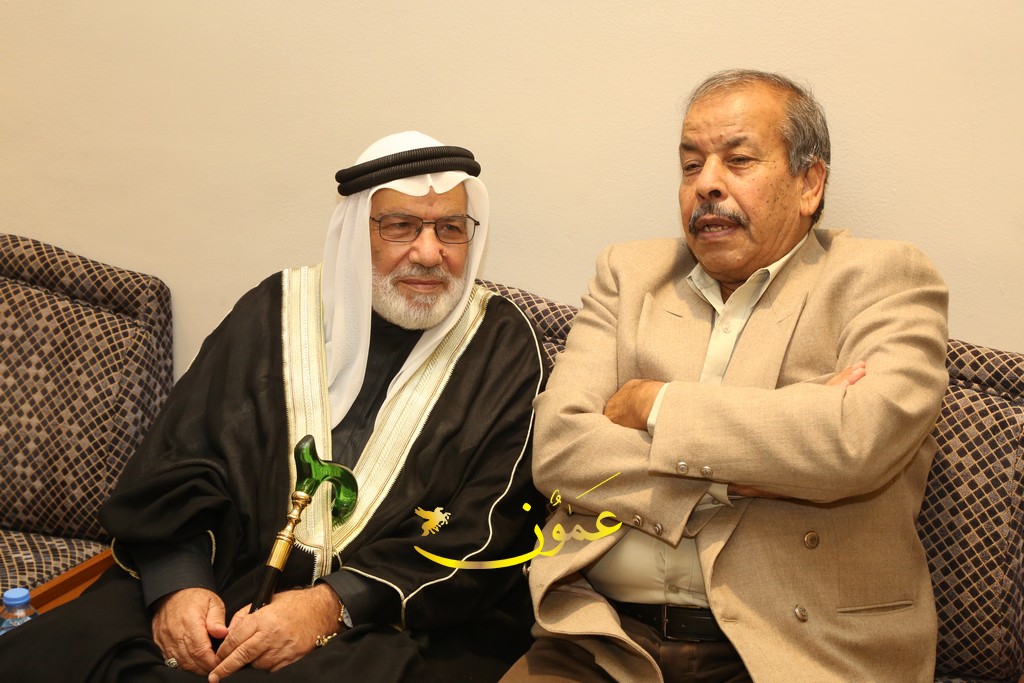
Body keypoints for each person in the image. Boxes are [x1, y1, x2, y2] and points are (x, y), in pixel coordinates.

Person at [0, 131, 547, 682]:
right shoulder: (276, 312)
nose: (429, 253)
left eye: (450, 228)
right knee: (67, 652)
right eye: (400, 226)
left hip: (388, 617)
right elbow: (179, 462)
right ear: (356, 232)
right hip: (225, 574)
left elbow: (493, 526)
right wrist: (179, 585)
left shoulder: (505, 349)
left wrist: (331, 603)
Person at [504, 70, 949, 682]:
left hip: (798, 648)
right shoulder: (628, 274)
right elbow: (560, 451)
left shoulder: (884, 277)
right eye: (691, 165)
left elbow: (854, 441)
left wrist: (654, 405)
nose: (707, 184)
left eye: (738, 160)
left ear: (810, 183)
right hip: (600, 635)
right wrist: (759, 465)